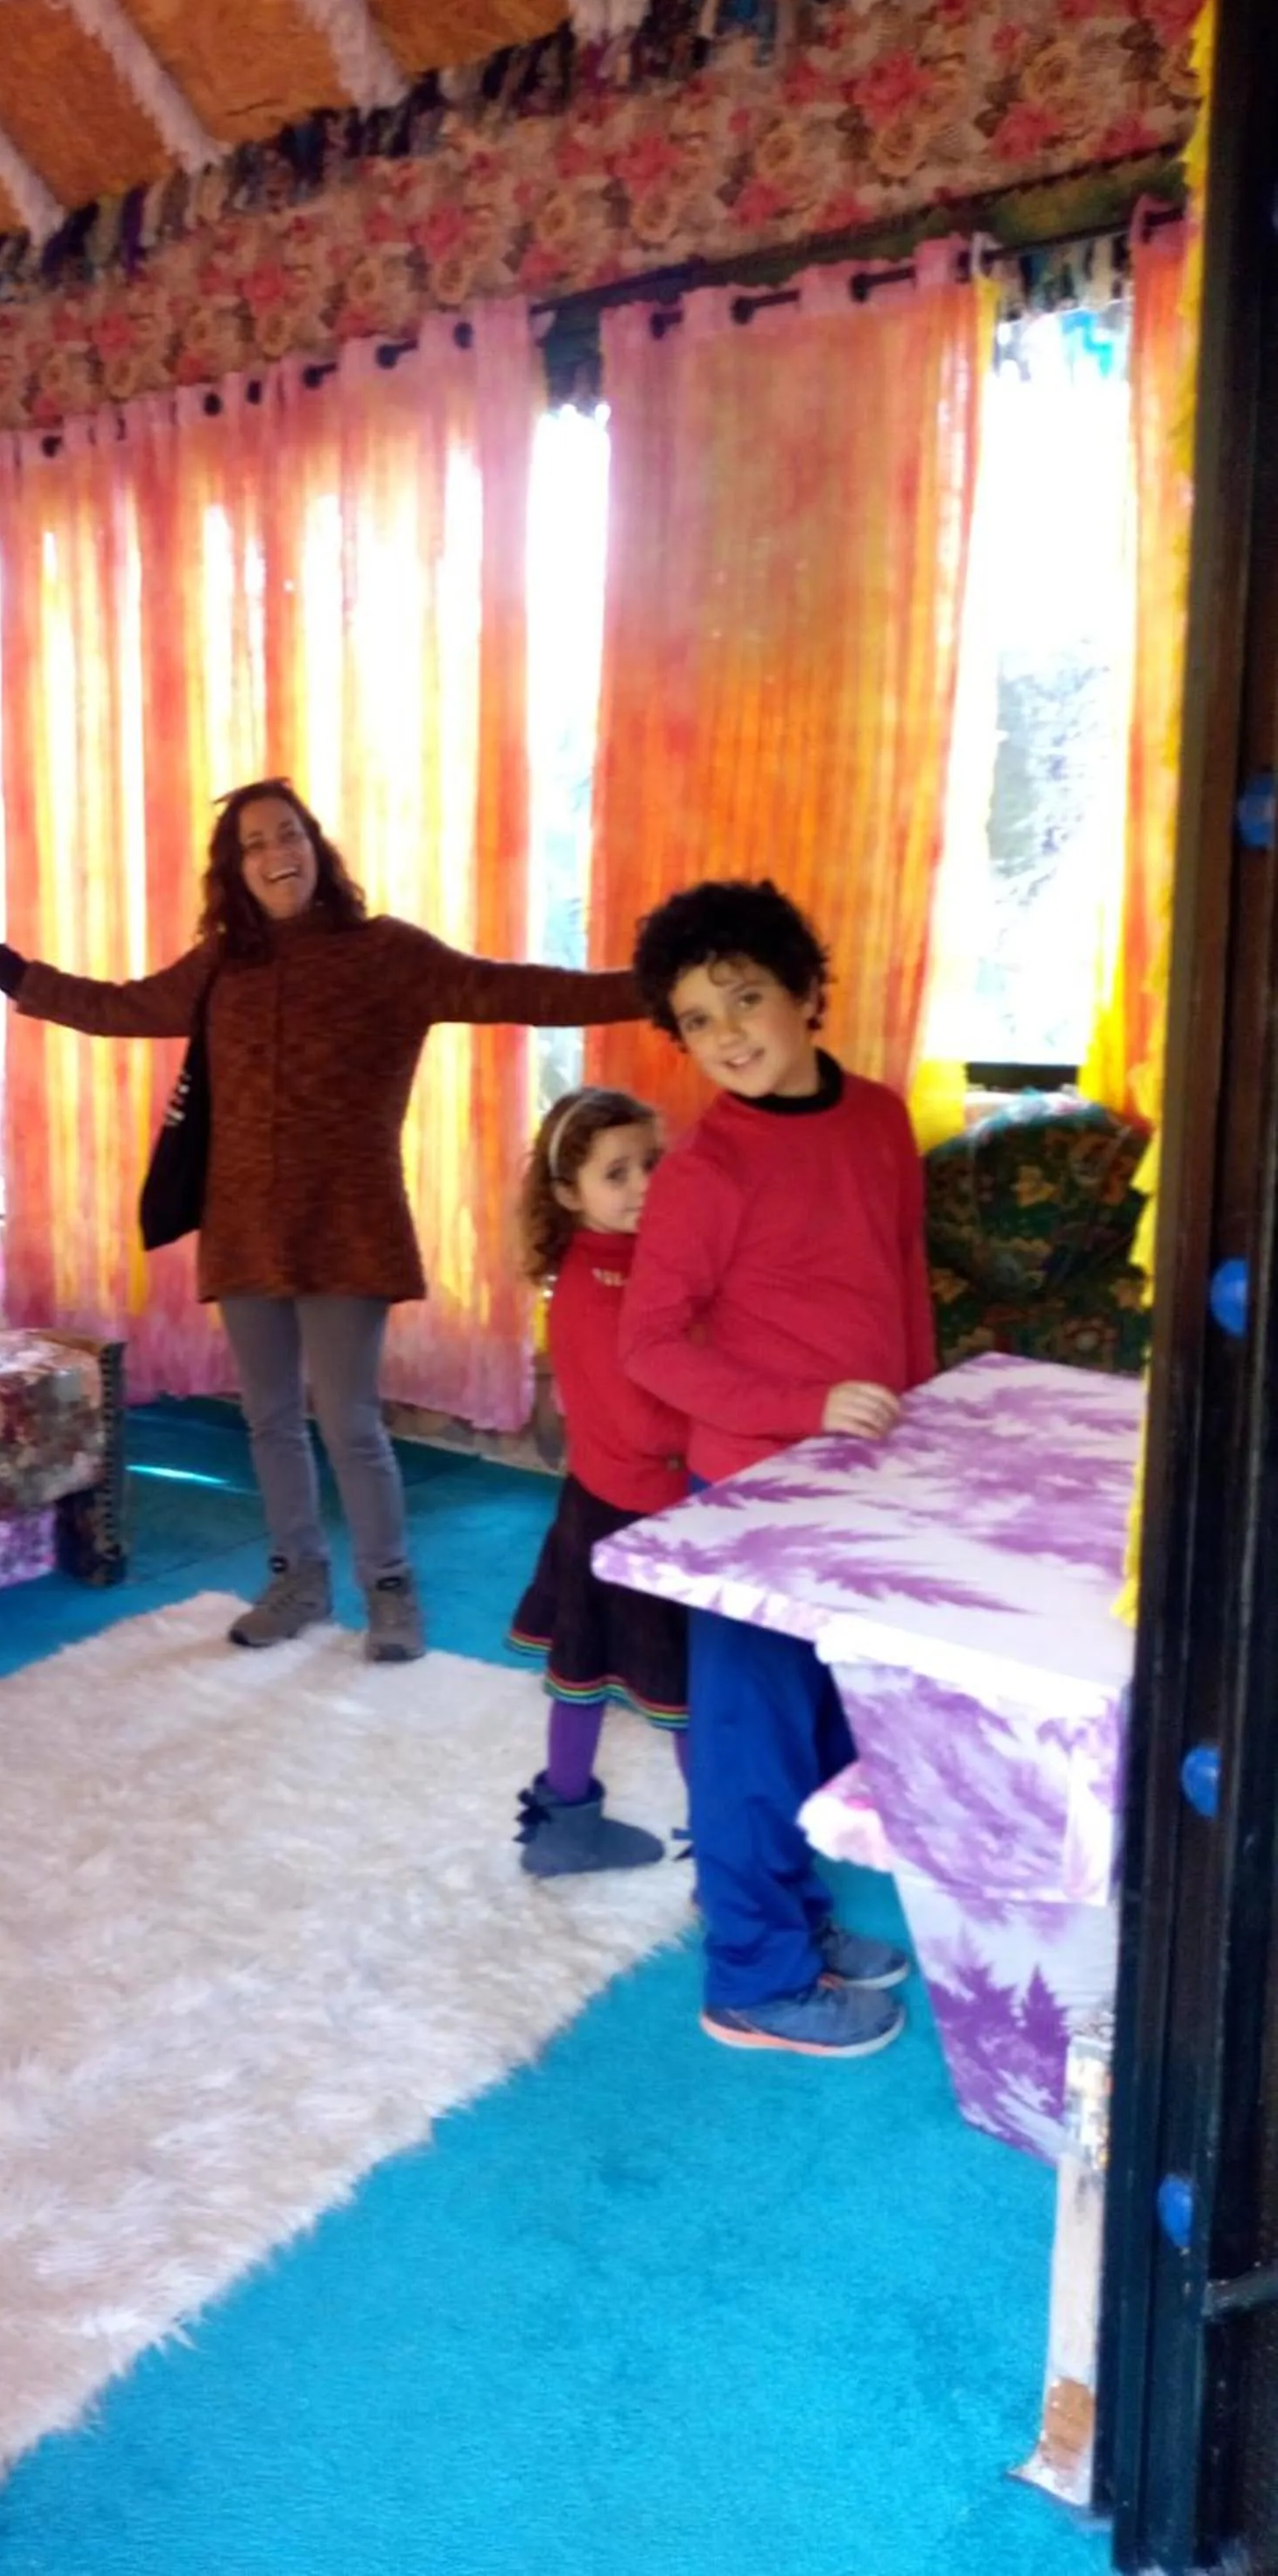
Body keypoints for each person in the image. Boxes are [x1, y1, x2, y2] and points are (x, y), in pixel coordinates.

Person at [0, 779, 648, 1663]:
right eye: (253, 844)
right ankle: (297, 1580)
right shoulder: (219, 966)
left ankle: (391, 1594)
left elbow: (519, 990)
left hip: (348, 1226)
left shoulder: (387, 953)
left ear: (315, 847)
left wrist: (650, 988)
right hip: (245, 1228)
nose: (275, 852)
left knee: (349, 1421)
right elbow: (117, 1007)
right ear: (235, 871)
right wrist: (2, 963)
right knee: (270, 1420)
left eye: (288, 834)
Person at [616, 879, 937, 2058]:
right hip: (748, 1498)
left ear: (807, 995)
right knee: (751, 1739)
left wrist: (921, 1414)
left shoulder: (881, 1119)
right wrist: (801, 1406)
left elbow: (896, 1275)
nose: (727, 1036)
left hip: (860, 1483)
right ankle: (750, 1976)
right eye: (697, 1019)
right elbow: (649, 1345)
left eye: (745, 999)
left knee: (822, 1724)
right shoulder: (704, 1173)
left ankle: (795, 1920)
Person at [507, 1087, 689, 1878]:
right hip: (643, 1514)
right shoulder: (602, 1285)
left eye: (652, 1162)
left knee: (581, 1674)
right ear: (566, 1194)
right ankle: (730, 1866)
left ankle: (564, 1829)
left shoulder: (609, 1263)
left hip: (598, 1503)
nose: (643, 1185)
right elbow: (645, 1421)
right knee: (690, 1697)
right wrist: (721, 1434)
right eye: (617, 1174)